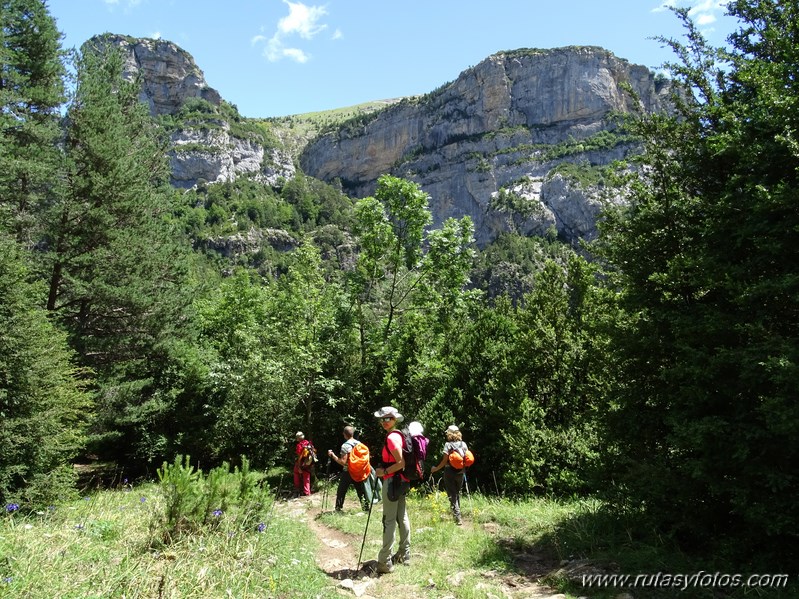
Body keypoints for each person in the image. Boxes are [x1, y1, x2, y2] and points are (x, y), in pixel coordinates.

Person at [373, 406, 411, 574]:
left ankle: (384, 561)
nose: (384, 422)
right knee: (402, 517)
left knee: (389, 520)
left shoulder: (392, 438)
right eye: (382, 419)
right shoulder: (400, 435)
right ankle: (404, 554)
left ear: (395, 419)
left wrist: (384, 472)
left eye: (388, 418)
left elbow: (401, 463)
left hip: (392, 483)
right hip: (402, 482)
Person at [430, 424, 468, 525]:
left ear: (450, 433)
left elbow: (444, 461)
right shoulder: (463, 444)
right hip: (461, 472)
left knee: (452, 494)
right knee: (457, 492)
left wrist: (435, 469)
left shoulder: (448, 445)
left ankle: (457, 517)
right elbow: (466, 458)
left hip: (450, 472)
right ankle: (457, 514)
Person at [327, 426, 369, 512]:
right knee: (360, 490)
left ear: (344, 434)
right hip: (358, 471)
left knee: (341, 490)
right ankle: (366, 509)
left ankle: (338, 508)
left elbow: (343, 462)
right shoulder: (359, 443)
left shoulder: (345, 446)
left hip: (348, 471)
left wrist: (333, 456)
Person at [293, 431, 313, 497]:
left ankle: (297, 489)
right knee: (306, 477)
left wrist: (299, 467)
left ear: (298, 438)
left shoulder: (299, 445)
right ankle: (307, 492)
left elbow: (299, 457)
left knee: (296, 473)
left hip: (301, 463)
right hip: (308, 463)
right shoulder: (308, 443)